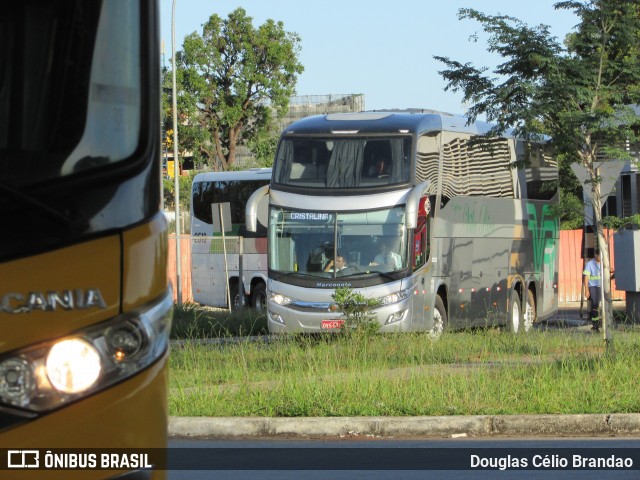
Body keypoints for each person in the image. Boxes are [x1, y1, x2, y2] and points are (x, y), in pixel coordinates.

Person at [582, 249, 609, 332]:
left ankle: (605, 324)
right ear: (595, 255)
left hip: (602, 287)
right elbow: (586, 278)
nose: (601, 257)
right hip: (593, 287)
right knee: (595, 306)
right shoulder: (590, 264)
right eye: (599, 256)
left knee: (606, 305)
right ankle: (595, 326)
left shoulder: (604, 264)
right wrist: (586, 290)